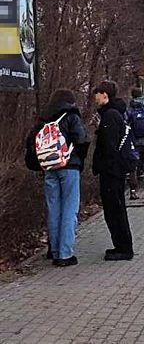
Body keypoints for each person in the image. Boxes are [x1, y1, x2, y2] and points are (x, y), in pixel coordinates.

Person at [26, 89, 90, 266]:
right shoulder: (71, 116)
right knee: (70, 209)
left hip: (49, 168)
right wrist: (77, 159)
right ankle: (65, 254)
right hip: (69, 168)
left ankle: (53, 250)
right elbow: (82, 139)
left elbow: (30, 143)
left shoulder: (43, 119)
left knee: (53, 208)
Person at [93, 80, 134, 261]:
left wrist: (105, 166)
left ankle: (123, 248)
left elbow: (110, 146)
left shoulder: (110, 115)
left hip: (111, 172)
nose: (95, 97)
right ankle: (121, 246)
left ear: (105, 95)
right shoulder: (116, 114)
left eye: (97, 93)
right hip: (116, 170)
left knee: (114, 210)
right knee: (116, 209)